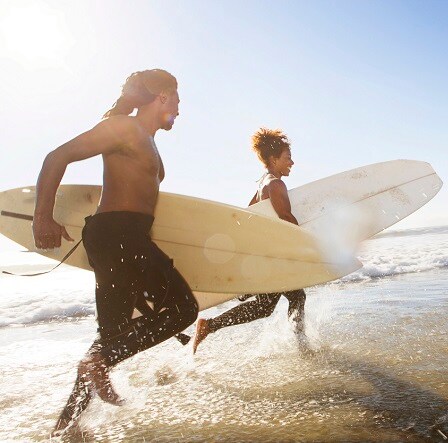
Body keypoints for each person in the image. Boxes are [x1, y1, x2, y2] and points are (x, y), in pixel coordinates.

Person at [32, 69, 199, 435]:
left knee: (111, 336)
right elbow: (57, 156)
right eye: (177, 100)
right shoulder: (125, 128)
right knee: (184, 309)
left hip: (127, 236)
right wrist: (42, 217)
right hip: (117, 234)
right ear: (162, 96)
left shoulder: (148, 141)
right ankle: (99, 364)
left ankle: (66, 427)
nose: (179, 109)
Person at [192, 128, 306, 354]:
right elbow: (286, 218)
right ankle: (301, 345)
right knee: (288, 299)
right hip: (274, 256)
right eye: (287, 157)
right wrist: (309, 245)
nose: (292, 162)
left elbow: (248, 216)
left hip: (265, 253)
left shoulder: (263, 183)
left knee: (278, 302)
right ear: (273, 159)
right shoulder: (276, 184)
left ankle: (210, 325)